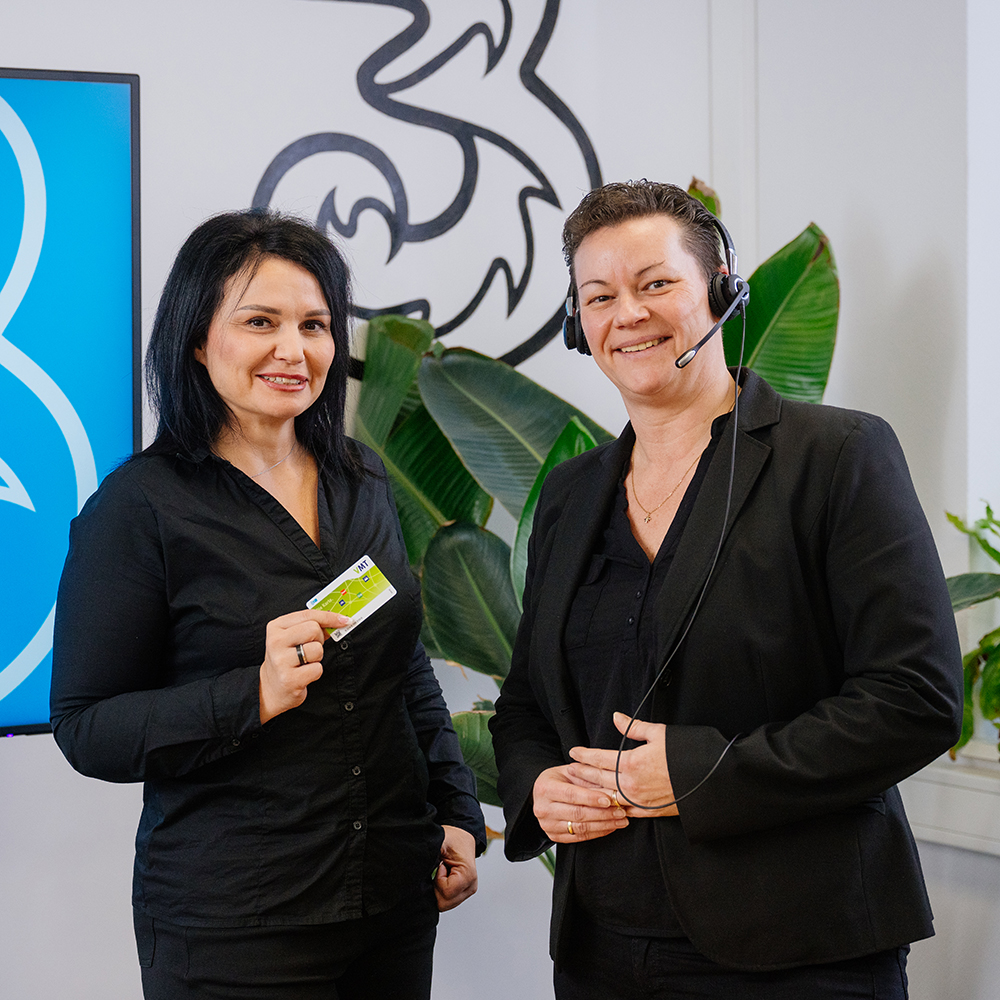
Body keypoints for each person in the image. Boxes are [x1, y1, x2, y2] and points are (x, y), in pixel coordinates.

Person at [489, 180, 963, 999]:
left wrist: (704, 772)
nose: (626, 314)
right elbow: (528, 704)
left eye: (656, 283)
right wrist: (538, 785)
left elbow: (913, 698)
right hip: (602, 949)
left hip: (801, 952)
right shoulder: (570, 494)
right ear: (579, 325)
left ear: (720, 287)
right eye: (598, 296)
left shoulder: (837, 456)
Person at [50, 210, 485, 1000]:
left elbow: (402, 669)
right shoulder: (140, 508)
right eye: (261, 322)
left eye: (315, 325)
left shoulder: (361, 479)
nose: (295, 349)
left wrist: (455, 811)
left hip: (391, 904)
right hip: (237, 929)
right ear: (195, 339)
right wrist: (249, 695)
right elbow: (86, 726)